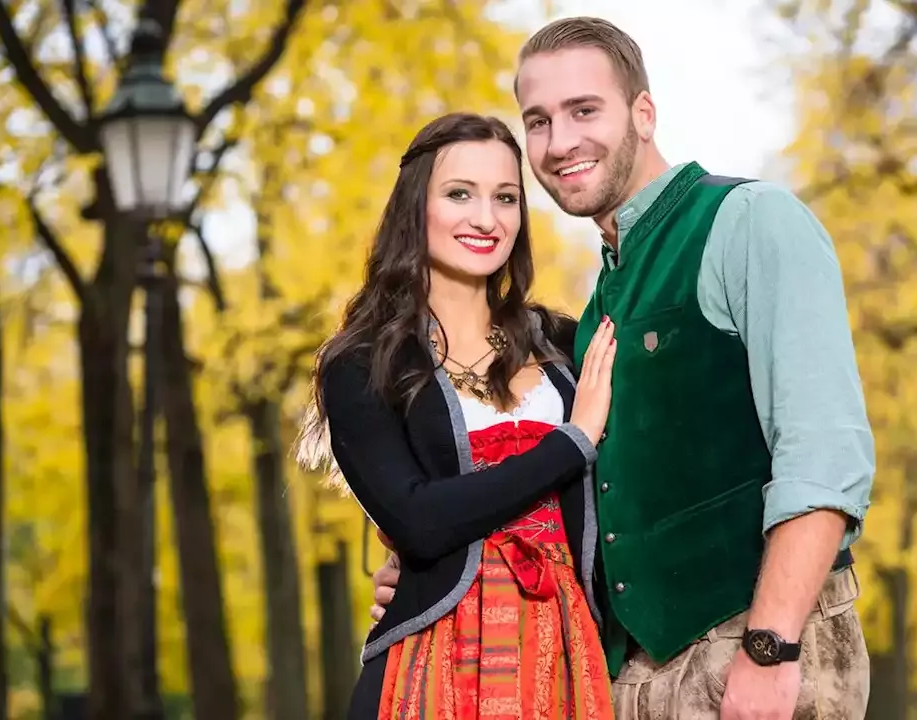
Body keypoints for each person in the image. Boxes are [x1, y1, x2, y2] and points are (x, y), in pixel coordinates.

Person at [369, 17, 876, 720]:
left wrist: (770, 647)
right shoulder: (594, 304)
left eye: (585, 110)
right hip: (625, 676)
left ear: (644, 111)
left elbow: (825, 457)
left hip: (755, 650)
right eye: (539, 121)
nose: (560, 141)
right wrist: (438, 569)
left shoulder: (750, 220)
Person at [296, 112, 622, 719]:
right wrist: (572, 441)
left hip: (567, 658)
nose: (485, 218)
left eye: (505, 197)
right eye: (459, 194)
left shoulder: (561, 343)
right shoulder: (362, 363)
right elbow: (420, 521)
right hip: (426, 664)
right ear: (415, 207)